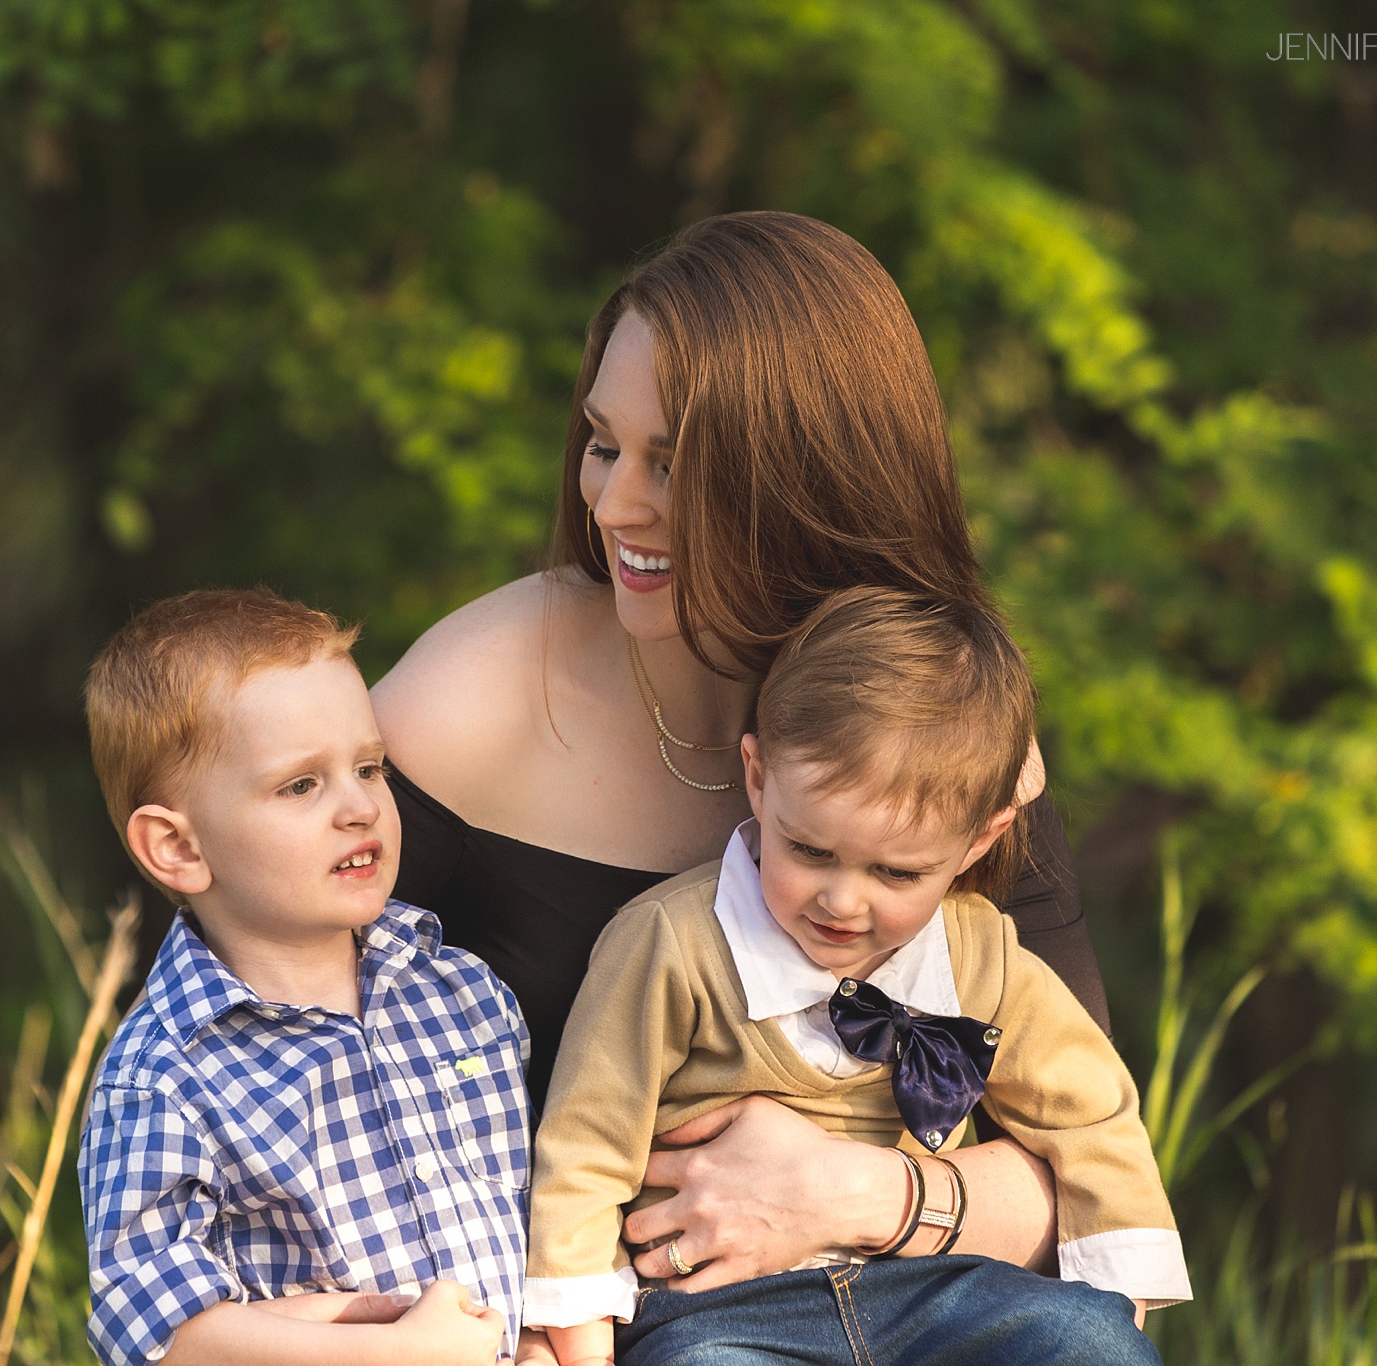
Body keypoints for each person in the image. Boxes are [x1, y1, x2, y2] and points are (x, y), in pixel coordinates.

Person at [374, 211, 1094, 1287]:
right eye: (603, 445)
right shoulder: (471, 700)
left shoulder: (939, 728)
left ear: (809, 480)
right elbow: (243, 1050)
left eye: (672, 465)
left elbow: (1085, 1166)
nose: (615, 503)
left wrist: (850, 1194)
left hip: (886, 1314)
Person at [517, 588, 1189, 1366]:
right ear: (759, 777)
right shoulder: (670, 944)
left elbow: (1090, 1115)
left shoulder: (982, 956)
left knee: (1083, 1338)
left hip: (931, 1293)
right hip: (721, 1312)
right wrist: (578, 1339)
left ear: (981, 839)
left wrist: (1121, 1304)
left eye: (897, 872)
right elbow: (585, 1149)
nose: (843, 901)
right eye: (810, 851)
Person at [77, 588, 529, 1366]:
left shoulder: (463, 994)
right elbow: (157, 1331)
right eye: (300, 785)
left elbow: (543, 1212)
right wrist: (403, 1355)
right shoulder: (163, 1077)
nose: (359, 807)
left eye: (368, 767)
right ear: (177, 849)